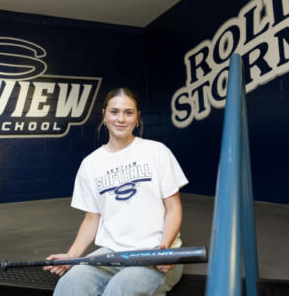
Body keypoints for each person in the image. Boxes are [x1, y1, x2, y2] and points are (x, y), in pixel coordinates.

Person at [44, 87, 188, 296]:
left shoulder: (157, 151)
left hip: (155, 254)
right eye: (114, 112)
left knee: (120, 290)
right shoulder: (90, 164)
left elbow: (173, 207)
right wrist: (71, 257)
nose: (121, 118)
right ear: (104, 115)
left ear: (137, 117)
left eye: (128, 113)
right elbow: (92, 218)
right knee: (70, 285)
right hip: (110, 254)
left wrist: (164, 248)